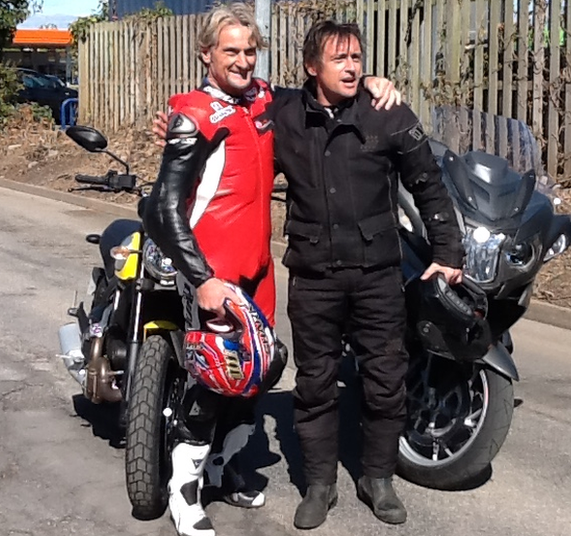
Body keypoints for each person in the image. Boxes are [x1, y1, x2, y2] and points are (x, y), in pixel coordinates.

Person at [141, 5, 402, 536]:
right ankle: (184, 494)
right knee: (213, 381)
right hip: (213, 273)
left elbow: (320, 90)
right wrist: (203, 279)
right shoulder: (193, 116)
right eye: (229, 50)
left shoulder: (263, 101)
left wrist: (370, 79)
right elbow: (162, 210)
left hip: (257, 271)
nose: (241, 60)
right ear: (205, 53)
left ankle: (224, 467)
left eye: (248, 50)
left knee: (254, 377)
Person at [270, 20, 465, 529]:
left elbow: (429, 184)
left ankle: (377, 479)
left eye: (358, 57)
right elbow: (229, 106)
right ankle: (319, 484)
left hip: (379, 272)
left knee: (385, 379)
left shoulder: (388, 111)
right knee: (315, 383)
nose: (353, 67)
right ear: (312, 67)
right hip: (314, 276)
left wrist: (448, 251)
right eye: (340, 59)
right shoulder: (284, 114)